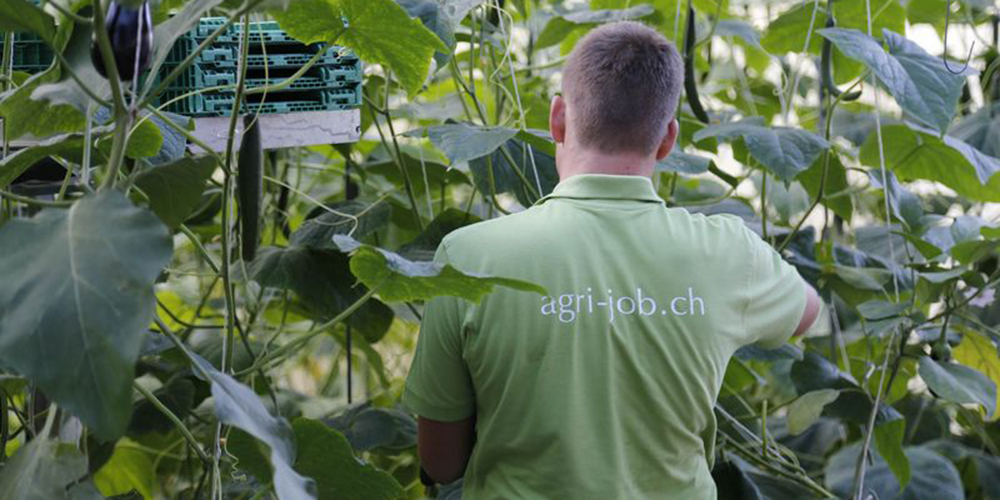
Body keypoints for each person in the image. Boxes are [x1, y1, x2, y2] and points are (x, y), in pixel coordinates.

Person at [402, 21, 821, 500]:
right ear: (667, 139)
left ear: (558, 119)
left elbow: (441, 463)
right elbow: (807, 313)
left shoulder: (467, 256)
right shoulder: (731, 252)